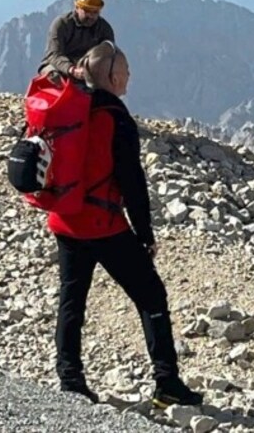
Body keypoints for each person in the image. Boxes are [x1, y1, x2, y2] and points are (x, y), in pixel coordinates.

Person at [48, 40, 203, 408]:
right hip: (103, 225)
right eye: (127, 72)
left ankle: (70, 379)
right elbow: (132, 182)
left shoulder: (70, 105)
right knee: (151, 297)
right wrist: (145, 235)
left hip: (65, 220)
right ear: (114, 75)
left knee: (72, 300)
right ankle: (166, 382)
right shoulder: (116, 117)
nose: (130, 78)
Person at [37, 0, 115, 85]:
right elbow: (54, 54)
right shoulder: (61, 24)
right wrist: (71, 69)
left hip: (87, 69)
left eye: (94, 12)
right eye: (86, 11)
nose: (90, 16)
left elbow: (109, 55)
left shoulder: (104, 29)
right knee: (55, 78)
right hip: (57, 66)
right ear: (77, 8)